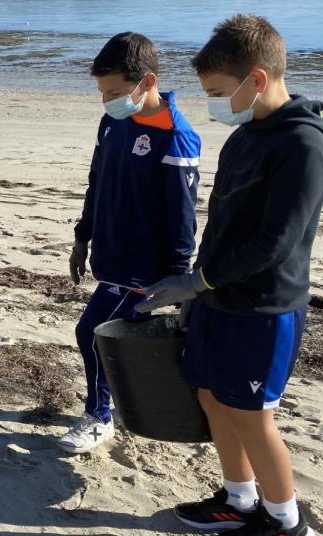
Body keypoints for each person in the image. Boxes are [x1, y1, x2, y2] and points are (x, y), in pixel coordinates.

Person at [135, 14, 323, 536]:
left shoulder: (301, 144)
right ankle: (240, 499)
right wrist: (196, 291)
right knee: (211, 396)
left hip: (266, 306)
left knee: (251, 413)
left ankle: (287, 520)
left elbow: (277, 241)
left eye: (220, 92)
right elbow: (222, 220)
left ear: (258, 80)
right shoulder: (248, 134)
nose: (216, 103)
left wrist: (196, 281)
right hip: (218, 296)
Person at [61, 32, 201, 454]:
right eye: (103, 93)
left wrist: (178, 280)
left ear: (147, 82)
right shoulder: (113, 121)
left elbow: (183, 219)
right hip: (111, 256)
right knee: (110, 337)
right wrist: (81, 237)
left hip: (145, 267)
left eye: (116, 92)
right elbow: (97, 181)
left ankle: (99, 417)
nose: (108, 101)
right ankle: (120, 405)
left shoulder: (176, 137)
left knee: (92, 332)